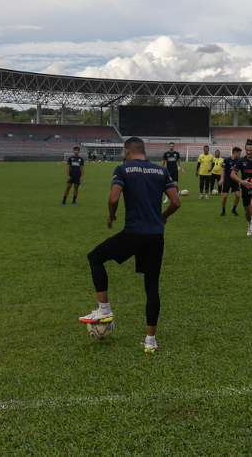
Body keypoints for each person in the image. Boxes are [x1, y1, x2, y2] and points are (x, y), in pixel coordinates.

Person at [79, 137, 181, 354]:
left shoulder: (123, 169)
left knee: (95, 257)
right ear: (143, 151)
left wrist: (111, 217)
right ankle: (150, 340)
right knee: (151, 287)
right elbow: (176, 202)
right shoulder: (160, 172)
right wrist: (163, 216)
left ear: (127, 152)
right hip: (155, 235)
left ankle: (103, 309)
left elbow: (114, 199)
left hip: (133, 233)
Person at [219, 147, 242, 217]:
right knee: (225, 196)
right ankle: (223, 210)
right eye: (239, 153)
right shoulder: (226, 160)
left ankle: (234, 209)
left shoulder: (238, 161)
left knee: (238, 195)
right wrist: (221, 179)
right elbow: (223, 170)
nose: (240, 155)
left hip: (235, 180)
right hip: (227, 180)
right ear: (235, 153)